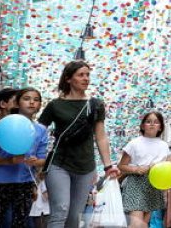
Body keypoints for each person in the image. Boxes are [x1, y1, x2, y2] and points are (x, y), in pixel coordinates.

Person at [38, 62, 119, 228]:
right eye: (81, 75)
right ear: (68, 78)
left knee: (74, 216)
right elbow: (38, 132)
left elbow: (101, 136)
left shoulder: (95, 105)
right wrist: (35, 159)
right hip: (59, 163)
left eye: (87, 75)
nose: (86, 79)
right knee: (60, 210)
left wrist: (108, 165)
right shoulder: (55, 105)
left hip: (85, 166)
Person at [0, 89, 49, 228]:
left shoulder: (41, 130)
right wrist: (8, 161)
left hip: (25, 184)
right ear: (17, 103)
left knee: (20, 223)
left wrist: (35, 162)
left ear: (39, 105)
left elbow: (43, 160)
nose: (31, 102)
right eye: (26, 98)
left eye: (36, 100)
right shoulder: (2, 125)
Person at [117, 112, 170, 228]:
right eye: (148, 121)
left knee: (144, 224)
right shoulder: (134, 143)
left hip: (154, 185)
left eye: (156, 122)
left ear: (160, 127)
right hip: (135, 183)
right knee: (137, 224)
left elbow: (169, 166)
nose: (152, 124)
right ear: (142, 126)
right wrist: (137, 169)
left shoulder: (164, 145)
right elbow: (121, 166)